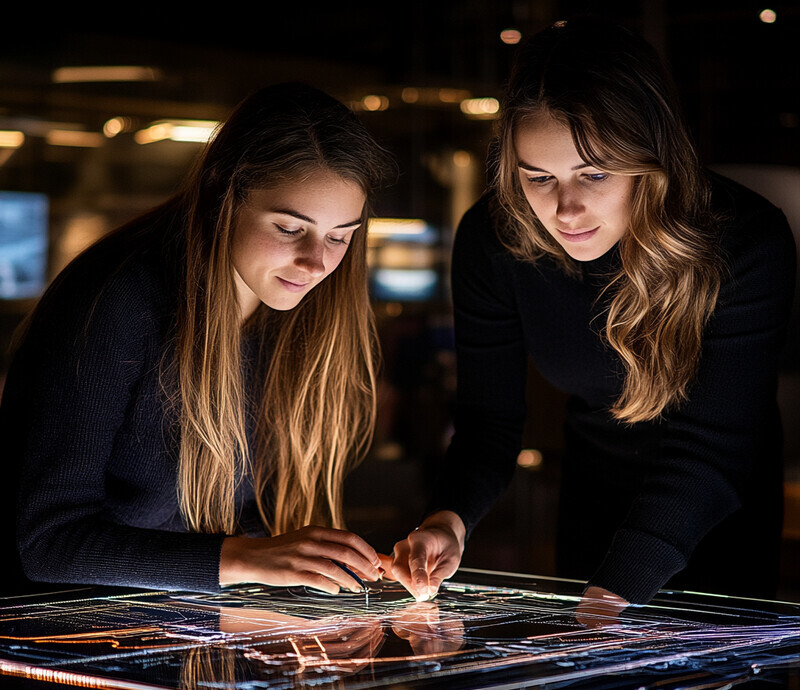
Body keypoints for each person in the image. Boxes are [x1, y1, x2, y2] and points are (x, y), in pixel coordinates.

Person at [387, 18, 797, 611]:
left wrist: (615, 592)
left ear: (650, 160)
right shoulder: (494, 239)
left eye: (595, 173)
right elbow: (488, 421)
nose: (565, 208)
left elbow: (712, 451)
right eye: (539, 177)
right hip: (591, 504)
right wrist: (449, 519)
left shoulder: (744, 242)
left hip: (718, 517)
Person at [0, 83, 396, 597]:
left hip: (177, 624)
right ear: (220, 194)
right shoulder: (115, 302)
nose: (316, 262)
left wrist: (326, 566)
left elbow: (250, 521)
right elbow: (48, 543)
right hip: (47, 631)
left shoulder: (298, 310)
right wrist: (248, 558)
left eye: (340, 236)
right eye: (288, 227)